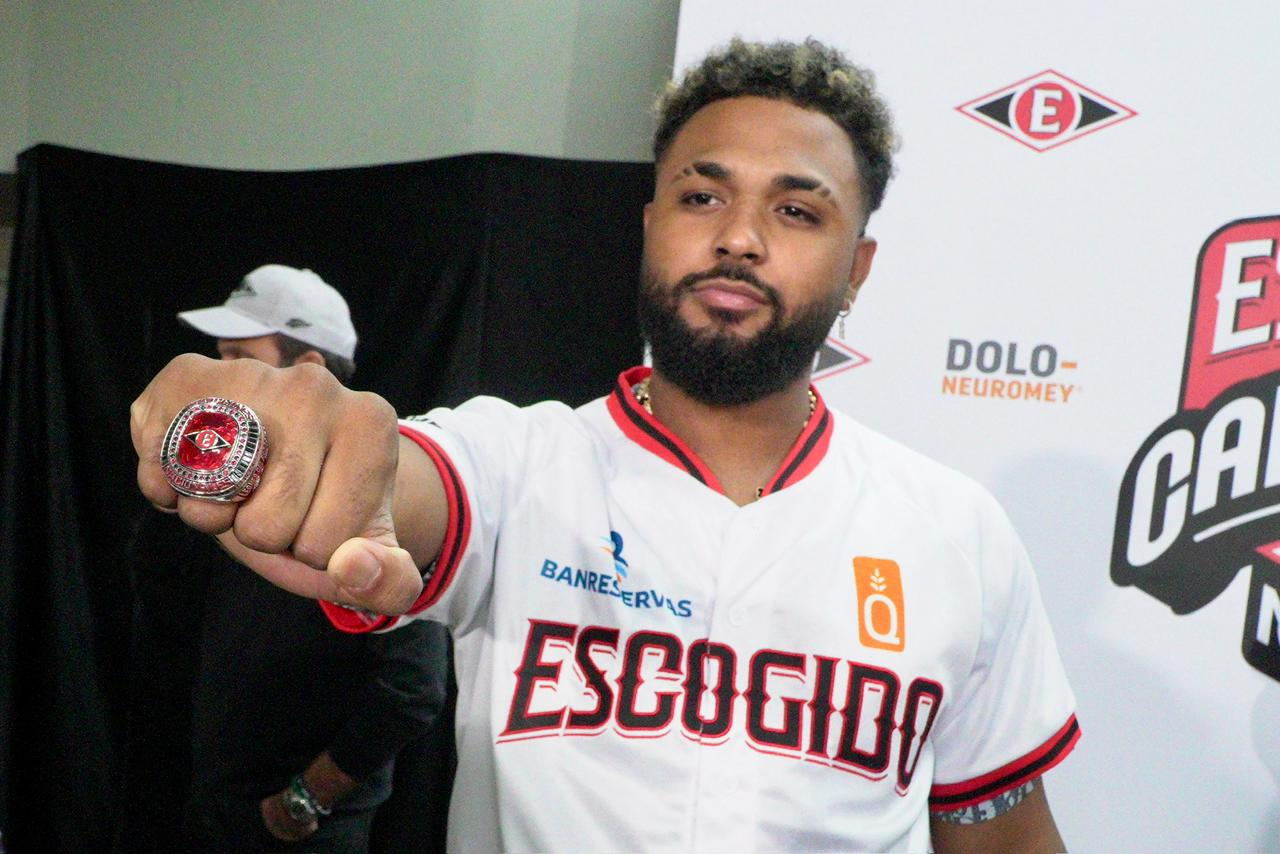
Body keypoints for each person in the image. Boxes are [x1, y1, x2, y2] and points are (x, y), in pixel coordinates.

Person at [130, 40, 1079, 852]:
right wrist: (278, 434)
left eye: (796, 210)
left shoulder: (957, 534)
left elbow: (1005, 835)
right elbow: (404, 481)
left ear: (858, 267)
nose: (739, 238)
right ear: (651, 224)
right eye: (702, 196)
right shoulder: (518, 461)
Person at [129, 265, 454, 853]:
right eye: (221, 356)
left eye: (241, 356)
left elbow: (411, 687)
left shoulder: (381, 496)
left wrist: (304, 799)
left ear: (309, 370)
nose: (224, 374)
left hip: (303, 829)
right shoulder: (227, 484)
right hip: (212, 806)